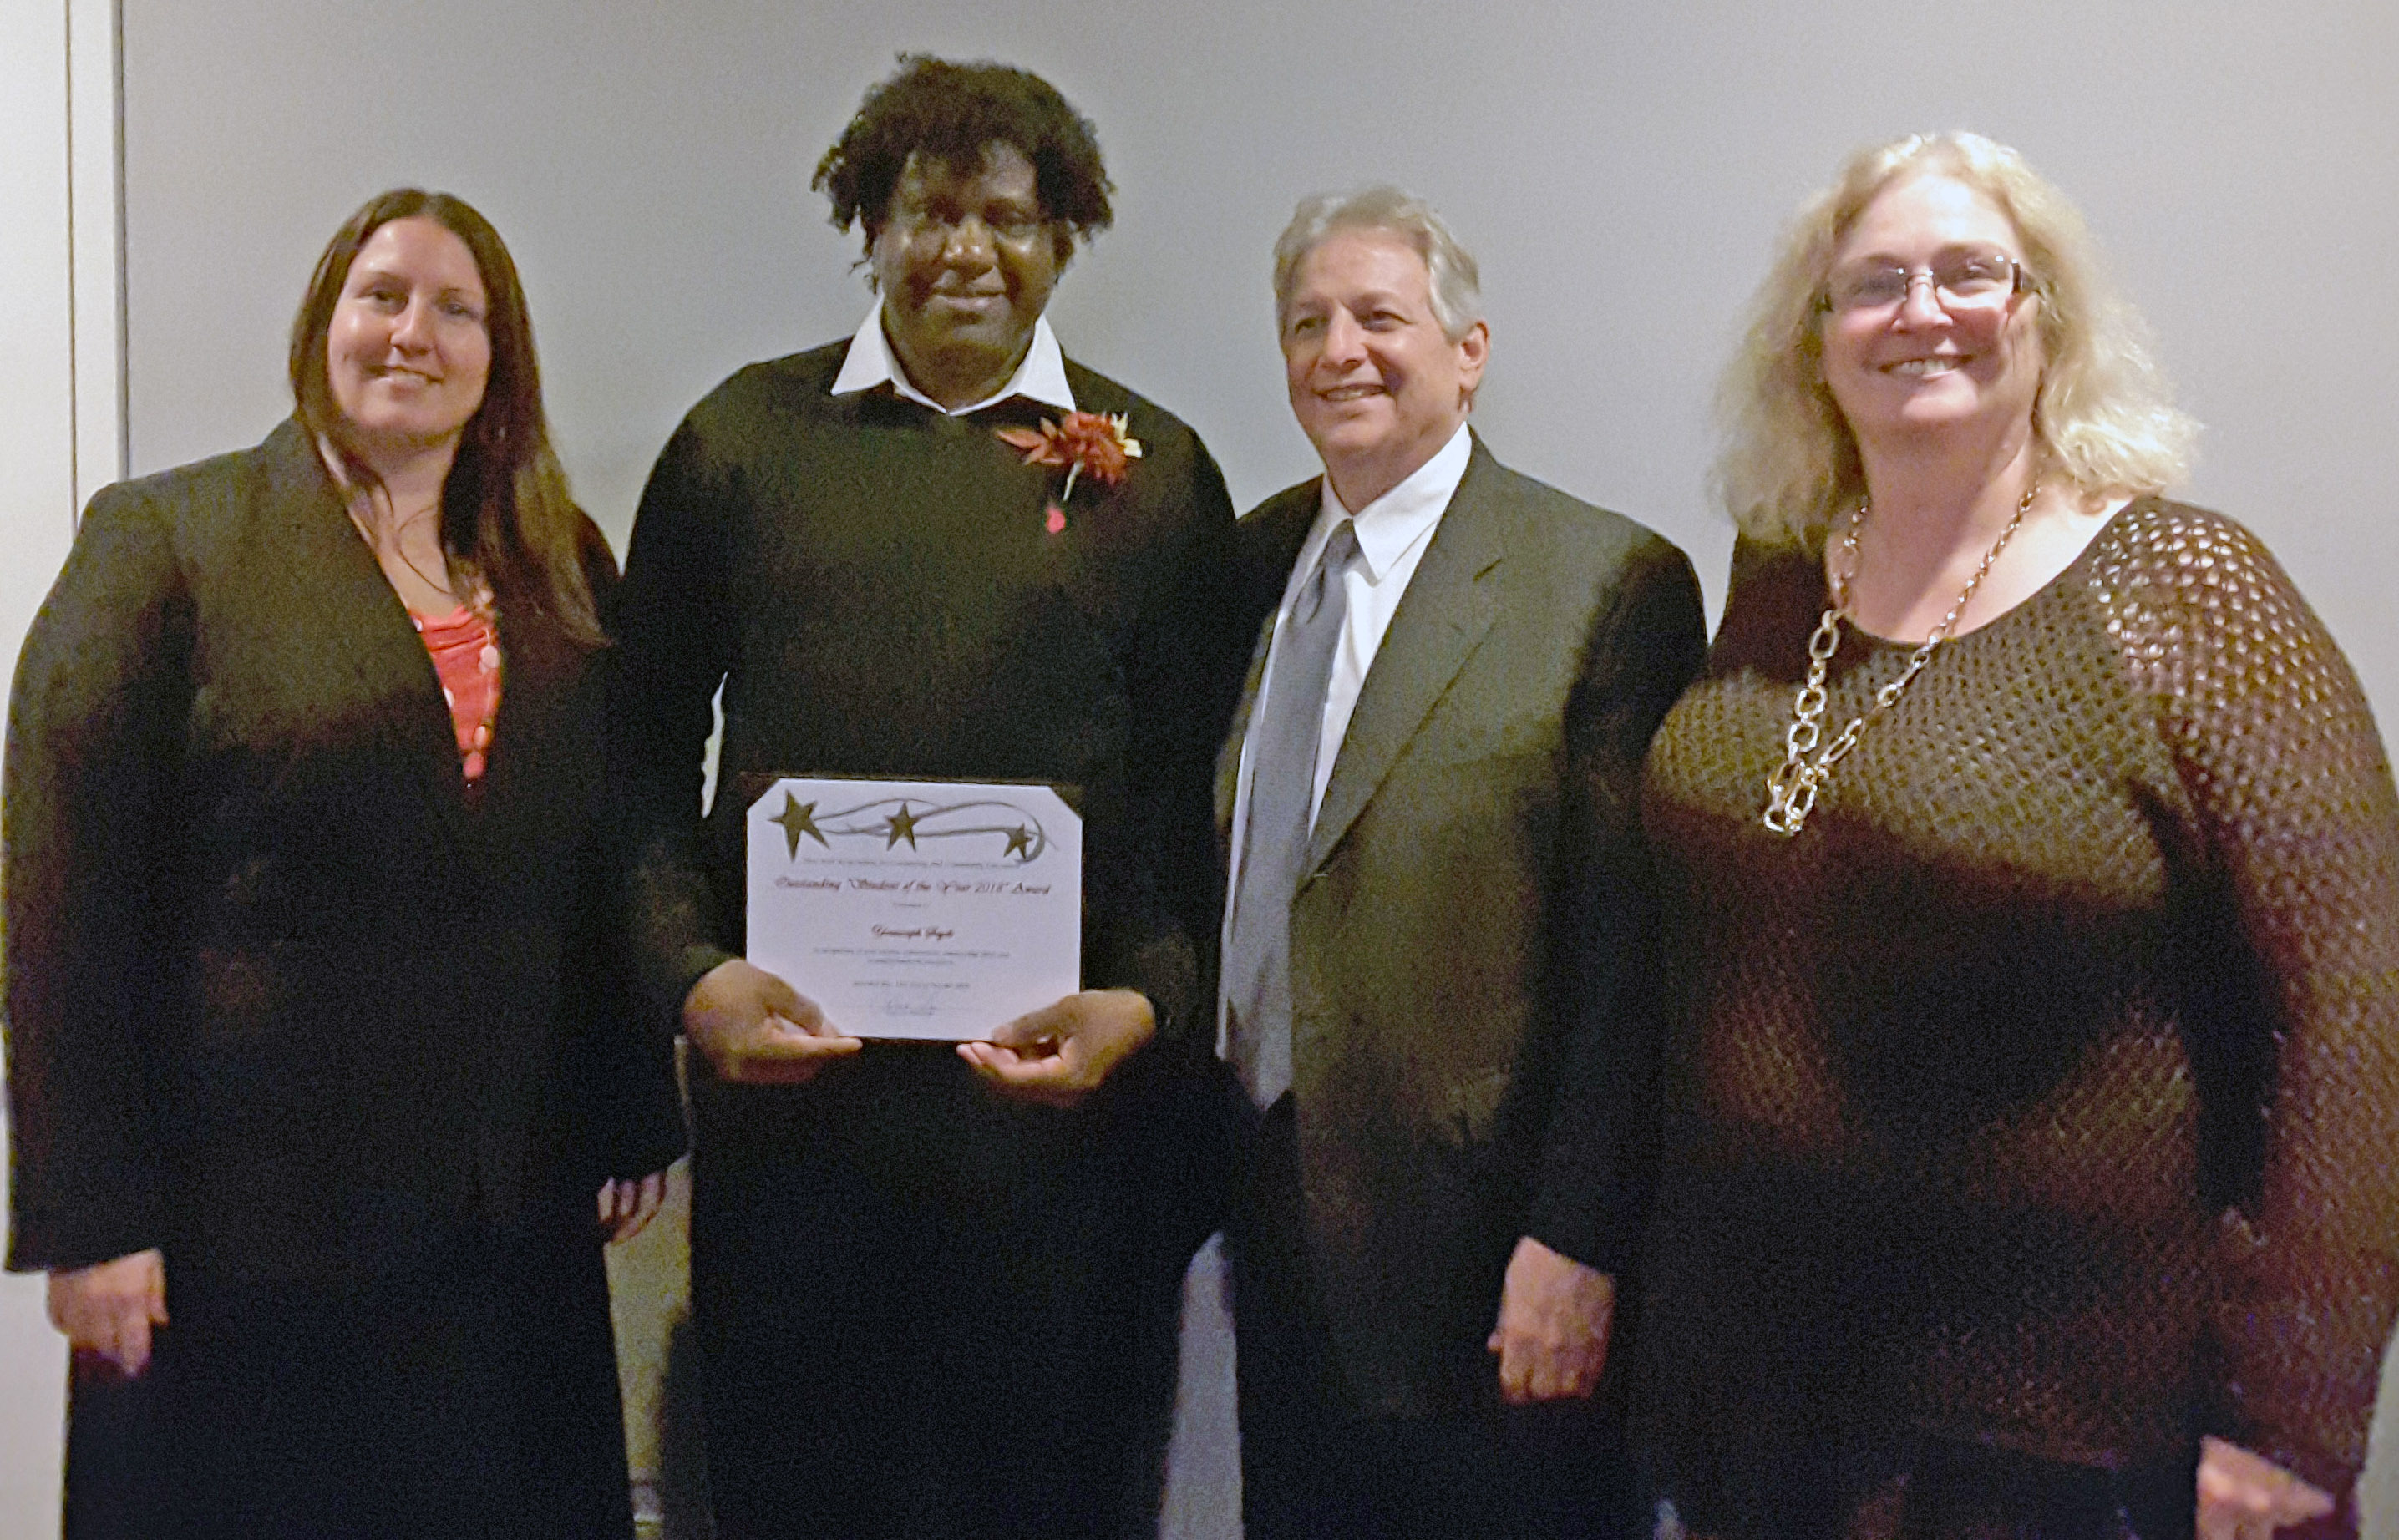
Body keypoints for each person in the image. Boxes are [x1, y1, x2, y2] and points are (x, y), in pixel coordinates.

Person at [1637, 130, 2399, 1539]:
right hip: (1760, 1389)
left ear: (2047, 316)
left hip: (2060, 1436)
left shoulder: (2184, 590)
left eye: (1970, 274)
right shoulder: (1779, 578)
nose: (1922, 314)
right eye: (1873, 286)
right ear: (1814, 342)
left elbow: (2360, 1009)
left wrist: (2296, 1417)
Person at [610, 56, 1248, 1540]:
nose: (968, 249)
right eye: (930, 212)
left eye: (1008, 217)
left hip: (1057, 1164)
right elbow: (636, 774)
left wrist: (1144, 1005)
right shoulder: (737, 447)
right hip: (791, 1159)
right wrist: (693, 982)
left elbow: (1191, 810)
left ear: (1063, 237)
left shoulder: (1156, 479)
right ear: (870, 227)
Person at [3, 188, 682, 1539]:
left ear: (500, 357)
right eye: (382, 296)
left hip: (504, 1231)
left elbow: (595, 856)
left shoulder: (558, 564)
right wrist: (89, 1216)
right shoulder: (169, 542)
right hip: (238, 1238)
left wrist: (626, 1104)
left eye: (455, 307)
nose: (411, 332)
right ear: (325, 321)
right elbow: (57, 890)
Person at [1213, 185, 1706, 1538]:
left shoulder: (1604, 579)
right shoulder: (1256, 560)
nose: (1339, 351)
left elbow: (1628, 962)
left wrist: (1582, 1239)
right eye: (1306, 322)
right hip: (1279, 1217)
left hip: (1490, 1255)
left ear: (1469, 348)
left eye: (1380, 316)